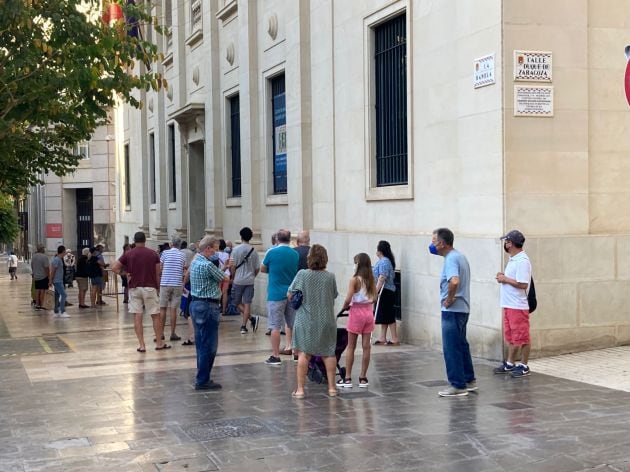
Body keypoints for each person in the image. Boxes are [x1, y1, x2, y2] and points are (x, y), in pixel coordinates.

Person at [429, 227, 476, 397]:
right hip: (462, 309)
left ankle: (457, 384)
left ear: (442, 243)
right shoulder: (459, 256)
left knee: (451, 347)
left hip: (453, 310)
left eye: (434, 241)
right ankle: (469, 379)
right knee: (462, 345)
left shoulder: (451, 259)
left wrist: (449, 299)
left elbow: (454, 281)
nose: (432, 245)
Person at [289, 244, 339, 398]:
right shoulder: (330, 276)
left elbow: (290, 294)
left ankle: (300, 390)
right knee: (329, 352)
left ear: (310, 258)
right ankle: (332, 388)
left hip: (306, 320)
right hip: (327, 320)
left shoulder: (302, 274)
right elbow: (334, 295)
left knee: (304, 353)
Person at [111, 232, 168, 352]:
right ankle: (159, 343)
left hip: (134, 288)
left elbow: (114, 267)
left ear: (134, 240)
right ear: (145, 240)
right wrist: (157, 287)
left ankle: (142, 345)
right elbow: (158, 273)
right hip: (150, 287)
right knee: (155, 315)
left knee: (137, 316)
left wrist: (124, 274)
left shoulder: (128, 254)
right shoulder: (153, 254)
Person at [188, 235, 231, 390]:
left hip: (196, 303)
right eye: (214, 248)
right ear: (207, 248)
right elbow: (224, 278)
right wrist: (226, 269)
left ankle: (202, 376)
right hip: (208, 306)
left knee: (201, 343)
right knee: (210, 345)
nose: (215, 252)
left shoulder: (195, 261)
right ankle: (202, 379)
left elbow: (216, 276)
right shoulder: (207, 265)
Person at [494, 230, 533, 378]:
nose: (505, 244)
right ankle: (510, 363)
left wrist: (504, 279)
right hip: (509, 304)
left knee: (522, 337)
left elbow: (523, 284)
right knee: (511, 336)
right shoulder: (514, 259)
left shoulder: (522, 260)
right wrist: (503, 277)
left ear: (511, 243)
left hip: (518, 305)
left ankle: (524, 365)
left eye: (507, 241)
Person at [337, 253, 377, 388]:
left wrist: (343, 307)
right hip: (368, 312)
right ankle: (363, 377)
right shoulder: (371, 279)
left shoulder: (355, 280)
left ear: (358, 264)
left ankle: (347, 378)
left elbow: (348, 298)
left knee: (351, 346)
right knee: (366, 346)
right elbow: (374, 297)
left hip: (356, 312)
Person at [261, 229, 299, 365]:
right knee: (293, 324)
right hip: (291, 293)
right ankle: (296, 353)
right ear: (289, 239)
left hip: (275, 293)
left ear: (277, 238)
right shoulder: (295, 254)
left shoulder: (271, 252)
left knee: (275, 326)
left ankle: (276, 356)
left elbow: (262, 268)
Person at [231, 227, 260, 334]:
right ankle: (244, 326)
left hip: (238, 280)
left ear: (241, 236)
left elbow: (232, 266)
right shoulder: (254, 251)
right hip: (250, 280)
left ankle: (251, 319)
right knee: (247, 303)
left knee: (236, 302)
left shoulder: (235, 250)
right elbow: (257, 268)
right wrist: (253, 276)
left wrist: (233, 276)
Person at [372, 240, 399, 345]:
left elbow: (382, 277)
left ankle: (394, 338)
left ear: (380, 250)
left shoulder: (384, 262)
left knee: (389, 314)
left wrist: (375, 291)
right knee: (384, 314)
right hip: (387, 291)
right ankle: (382, 337)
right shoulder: (385, 261)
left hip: (386, 291)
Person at [159, 237, 186, 341]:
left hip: (165, 283)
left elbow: (160, 268)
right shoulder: (182, 255)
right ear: (179, 245)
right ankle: (173, 333)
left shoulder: (165, 253)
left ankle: (161, 333)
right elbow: (183, 268)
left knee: (162, 308)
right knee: (173, 309)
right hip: (177, 284)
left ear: (171, 244)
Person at [49, 245, 69, 318]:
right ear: (63, 251)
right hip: (57, 281)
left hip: (58, 280)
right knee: (64, 295)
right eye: (65, 251)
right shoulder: (57, 260)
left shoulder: (58, 259)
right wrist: (50, 280)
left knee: (57, 295)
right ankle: (62, 311)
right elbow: (53, 271)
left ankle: (56, 310)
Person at [31, 245, 49, 310]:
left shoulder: (34, 256)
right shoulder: (44, 257)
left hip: (36, 276)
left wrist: (34, 272)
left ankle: (37, 304)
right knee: (42, 290)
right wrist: (49, 276)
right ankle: (42, 304)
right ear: (42, 249)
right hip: (43, 276)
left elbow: (32, 265)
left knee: (37, 290)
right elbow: (46, 267)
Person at [217, 239, 231, 315]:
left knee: (218, 292)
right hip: (226, 274)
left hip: (219, 273)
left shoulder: (215, 254)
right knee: (225, 293)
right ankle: (224, 310)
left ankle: (217, 308)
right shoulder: (227, 255)